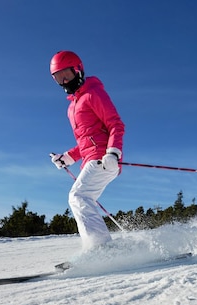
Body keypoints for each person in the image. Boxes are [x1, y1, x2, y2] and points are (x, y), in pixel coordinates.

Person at [49, 50, 125, 250]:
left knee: (79, 197)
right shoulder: (72, 107)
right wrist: (67, 158)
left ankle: (101, 249)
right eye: (58, 78)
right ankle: (100, 248)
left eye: (67, 74)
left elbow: (115, 124)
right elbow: (86, 142)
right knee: (82, 198)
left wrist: (113, 152)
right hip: (91, 158)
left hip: (103, 159)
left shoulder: (93, 93)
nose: (64, 81)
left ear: (78, 70)